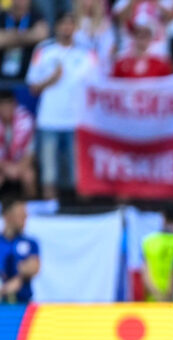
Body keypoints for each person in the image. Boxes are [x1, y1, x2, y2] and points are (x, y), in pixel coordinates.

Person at [26, 11, 97, 199]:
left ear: (75, 27)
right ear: (56, 26)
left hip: (76, 121)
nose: (67, 28)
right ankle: (50, 209)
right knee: (49, 175)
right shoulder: (44, 50)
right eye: (63, 23)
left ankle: (80, 211)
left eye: (70, 24)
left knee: (79, 175)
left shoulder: (86, 53)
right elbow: (33, 87)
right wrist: (51, 79)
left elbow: (98, 85)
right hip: (49, 120)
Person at [0, 196, 40, 304]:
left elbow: (34, 267)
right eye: (20, 215)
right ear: (7, 216)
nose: (25, 218)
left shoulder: (30, 243)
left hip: (24, 305)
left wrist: (19, 277)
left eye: (25, 215)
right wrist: (5, 289)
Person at [0, 0, 49, 82]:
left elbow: (41, 35)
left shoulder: (36, 16)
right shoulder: (3, 16)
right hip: (2, 79)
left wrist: (9, 37)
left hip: (27, 78)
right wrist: (28, 36)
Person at [141, 208, 173, 302]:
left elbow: (145, 272)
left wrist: (157, 295)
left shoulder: (149, 241)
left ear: (163, 218)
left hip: (153, 299)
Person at [0, 90, 35, 197]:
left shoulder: (26, 120)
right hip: (2, 164)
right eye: (3, 105)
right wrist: (6, 167)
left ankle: (30, 205)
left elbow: (31, 152)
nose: (6, 109)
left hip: (20, 163)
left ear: (14, 104)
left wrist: (19, 168)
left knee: (29, 176)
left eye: (9, 105)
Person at [73, 0, 116, 73]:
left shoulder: (104, 23)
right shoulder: (73, 23)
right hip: (80, 68)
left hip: (102, 67)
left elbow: (109, 47)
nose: (87, 2)